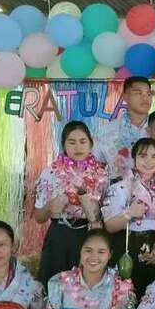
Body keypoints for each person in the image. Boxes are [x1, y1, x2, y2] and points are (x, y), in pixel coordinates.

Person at [34, 120, 108, 285]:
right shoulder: (51, 173)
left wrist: (95, 218)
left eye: (83, 141)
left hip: (88, 236)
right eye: (72, 142)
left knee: (83, 288)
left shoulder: (102, 175)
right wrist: (49, 207)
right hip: (59, 234)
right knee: (51, 286)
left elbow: (106, 214)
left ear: (91, 144)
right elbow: (39, 217)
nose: (78, 147)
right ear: (64, 145)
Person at [102, 137, 155, 302]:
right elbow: (109, 226)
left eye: (154, 156)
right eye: (143, 156)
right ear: (134, 159)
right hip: (125, 247)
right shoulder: (121, 187)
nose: (149, 161)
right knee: (123, 300)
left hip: (151, 250)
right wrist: (129, 214)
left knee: (148, 298)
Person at [94, 76, 153, 180]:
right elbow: (94, 168)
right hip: (116, 188)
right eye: (138, 93)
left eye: (148, 94)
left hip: (152, 188)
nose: (145, 98)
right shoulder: (107, 131)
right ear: (125, 96)